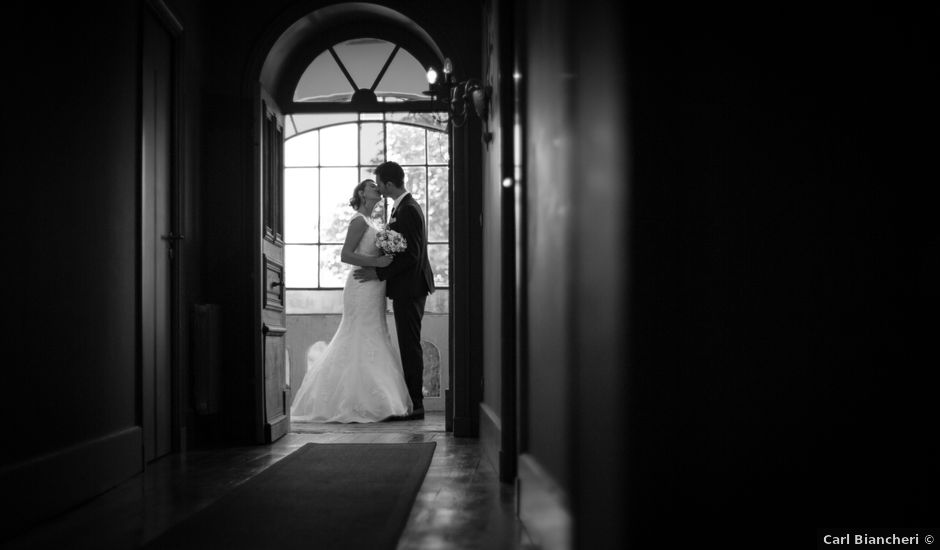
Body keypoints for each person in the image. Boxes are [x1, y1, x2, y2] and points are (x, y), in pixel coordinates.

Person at [290, 179, 412, 422]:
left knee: (376, 333)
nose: (377, 188)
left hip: (376, 286)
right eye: (371, 186)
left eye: (378, 185)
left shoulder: (376, 223)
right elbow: (345, 254)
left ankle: (382, 400)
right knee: (358, 334)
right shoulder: (358, 220)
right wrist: (377, 263)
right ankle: (354, 401)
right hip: (360, 286)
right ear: (361, 193)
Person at [354, 161, 434, 420]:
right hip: (407, 287)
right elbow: (398, 247)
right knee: (408, 344)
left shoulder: (408, 209)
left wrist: (378, 272)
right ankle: (413, 402)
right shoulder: (401, 208)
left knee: (410, 346)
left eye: (379, 184)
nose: (378, 188)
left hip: (410, 287)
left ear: (389, 184)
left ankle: (417, 405)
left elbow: (411, 255)